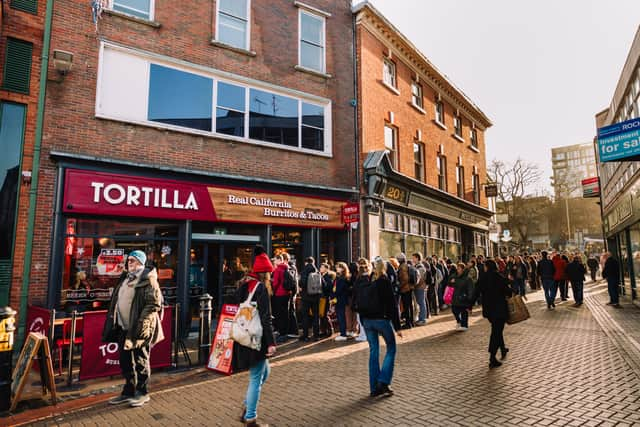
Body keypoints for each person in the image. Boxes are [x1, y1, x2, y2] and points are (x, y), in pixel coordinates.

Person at [104, 250, 163, 407]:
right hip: (123, 327)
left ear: (141, 263)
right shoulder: (125, 278)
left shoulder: (148, 280)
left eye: (133, 260)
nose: (129, 263)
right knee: (125, 361)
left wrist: (142, 321)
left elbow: (154, 304)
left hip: (139, 328)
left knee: (140, 360)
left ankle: (142, 392)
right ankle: (128, 391)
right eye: (129, 260)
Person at [234, 246, 276, 427]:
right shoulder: (261, 289)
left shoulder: (243, 284)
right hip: (256, 339)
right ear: (265, 273)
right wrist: (271, 343)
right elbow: (266, 318)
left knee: (265, 372)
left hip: (243, 336)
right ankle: (250, 418)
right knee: (256, 377)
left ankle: (247, 405)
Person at [354, 256, 402, 398]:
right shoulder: (384, 281)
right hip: (381, 320)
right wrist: (397, 326)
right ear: (385, 268)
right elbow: (392, 305)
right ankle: (384, 381)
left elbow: (357, 300)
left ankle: (374, 387)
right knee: (391, 348)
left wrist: (363, 320)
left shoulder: (366, 281)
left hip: (367, 321)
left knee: (374, 351)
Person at [473, 259, 514, 368]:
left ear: (487, 267)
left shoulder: (483, 278)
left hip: (489, 310)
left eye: (485, 266)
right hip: (500, 309)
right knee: (496, 332)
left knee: (496, 330)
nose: (484, 268)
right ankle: (492, 357)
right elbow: (509, 292)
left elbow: (476, 291)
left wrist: (470, 304)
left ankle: (503, 348)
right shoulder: (499, 277)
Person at [299, 257, 321, 341]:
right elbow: (323, 284)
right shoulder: (317, 271)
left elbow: (302, 283)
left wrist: (302, 287)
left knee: (305, 316)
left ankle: (305, 335)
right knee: (316, 316)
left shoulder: (304, 271)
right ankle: (316, 335)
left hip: (306, 297)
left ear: (306, 263)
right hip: (316, 297)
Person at [449, 263, 474, 331]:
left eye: (459, 268)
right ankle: (459, 321)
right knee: (454, 310)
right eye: (457, 268)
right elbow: (449, 285)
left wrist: (469, 298)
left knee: (464, 312)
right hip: (455, 297)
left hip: (463, 297)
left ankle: (464, 325)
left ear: (463, 269)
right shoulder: (454, 276)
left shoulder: (468, 278)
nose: (457, 270)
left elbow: (470, 289)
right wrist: (451, 282)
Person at [271, 255, 289, 343]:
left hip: (279, 294)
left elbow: (275, 283)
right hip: (286, 293)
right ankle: (285, 332)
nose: (274, 262)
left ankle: (282, 334)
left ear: (279, 260)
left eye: (275, 260)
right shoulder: (287, 268)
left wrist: (272, 291)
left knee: (279, 314)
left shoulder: (278, 269)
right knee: (285, 313)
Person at [331, 262, 351, 341]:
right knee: (340, 316)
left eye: (338, 267)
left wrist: (333, 295)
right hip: (338, 299)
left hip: (340, 300)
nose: (336, 268)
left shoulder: (343, 278)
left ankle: (343, 334)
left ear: (343, 268)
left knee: (341, 317)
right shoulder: (339, 277)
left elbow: (339, 289)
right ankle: (342, 332)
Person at [396, 253, 417, 329]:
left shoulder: (402, 267)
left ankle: (408, 323)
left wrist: (399, 286)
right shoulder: (407, 265)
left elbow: (405, 279)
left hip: (405, 289)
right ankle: (411, 322)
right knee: (410, 306)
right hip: (410, 288)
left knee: (407, 306)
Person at [412, 253, 428, 326]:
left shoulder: (420, 267)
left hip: (420, 287)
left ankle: (423, 319)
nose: (412, 259)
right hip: (419, 287)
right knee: (420, 302)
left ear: (417, 258)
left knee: (421, 303)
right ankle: (421, 318)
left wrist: (415, 284)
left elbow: (420, 278)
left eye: (414, 258)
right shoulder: (417, 266)